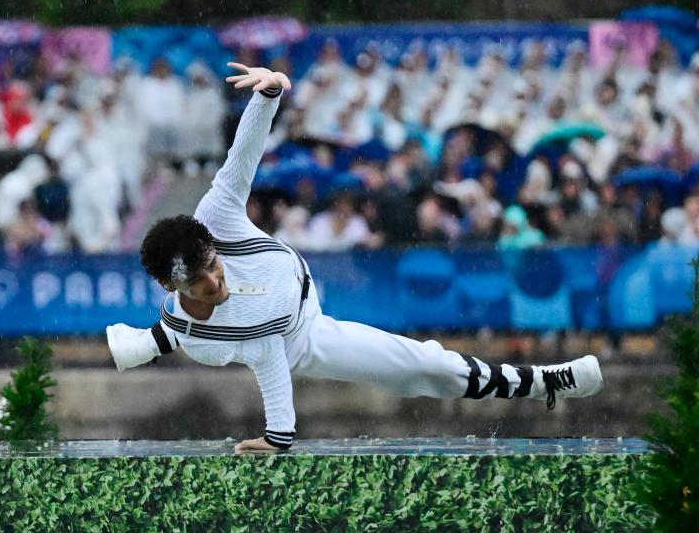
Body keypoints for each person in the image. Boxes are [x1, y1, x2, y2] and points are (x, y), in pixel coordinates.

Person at [106, 62, 604, 454]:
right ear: (173, 287)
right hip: (301, 338)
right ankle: (545, 382)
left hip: (299, 296)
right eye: (200, 282)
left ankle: (143, 342)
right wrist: (279, 436)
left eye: (214, 265)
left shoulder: (215, 215)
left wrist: (268, 95)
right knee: (425, 367)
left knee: (169, 332)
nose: (216, 281)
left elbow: (243, 157)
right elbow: (268, 360)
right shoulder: (206, 342)